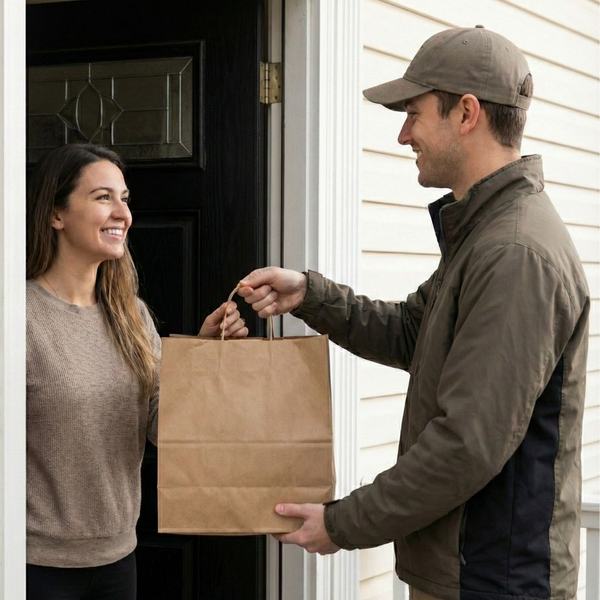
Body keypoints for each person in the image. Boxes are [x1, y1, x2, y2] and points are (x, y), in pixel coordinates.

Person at [238, 26, 590, 600]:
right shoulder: (485, 236)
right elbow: (411, 330)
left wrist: (341, 522)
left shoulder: (514, 253)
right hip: (469, 573)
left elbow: (466, 444)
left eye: (414, 113)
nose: (404, 134)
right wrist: (311, 295)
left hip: (491, 580)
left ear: (467, 113)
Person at [26, 143, 248, 600]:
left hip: (117, 558)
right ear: (56, 215)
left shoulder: (131, 315)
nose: (122, 213)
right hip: (32, 564)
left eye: (124, 198)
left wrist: (200, 361)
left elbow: (162, 431)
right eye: (103, 197)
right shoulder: (19, 316)